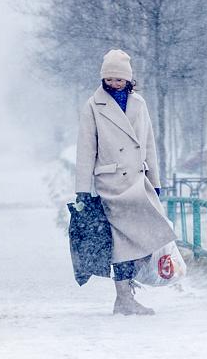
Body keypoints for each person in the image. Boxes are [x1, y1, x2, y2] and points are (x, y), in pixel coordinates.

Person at [74, 49, 177, 316]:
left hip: (138, 182)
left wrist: (154, 180)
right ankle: (123, 297)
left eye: (118, 79)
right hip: (112, 185)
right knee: (121, 243)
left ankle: (129, 291)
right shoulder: (93, 106)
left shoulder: (139, 104)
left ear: (128, 80)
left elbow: (149, 144)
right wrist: (83, 191)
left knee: (150, 235)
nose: (113, 84)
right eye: (108, 79)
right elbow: (86, 149)